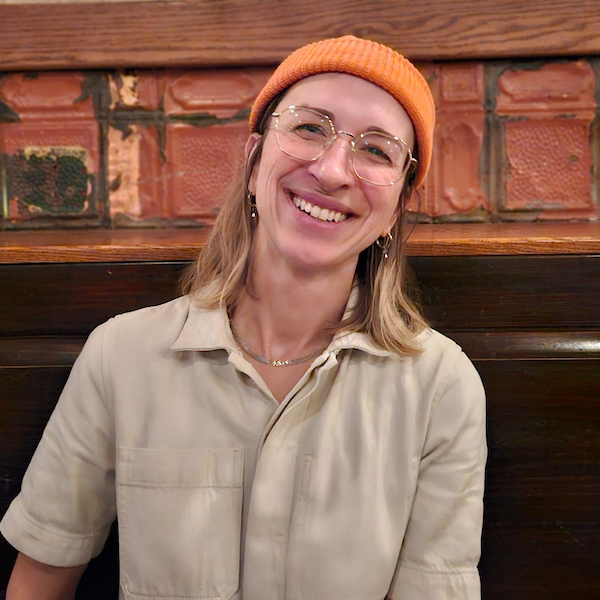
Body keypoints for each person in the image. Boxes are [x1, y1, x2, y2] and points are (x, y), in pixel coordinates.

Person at [1, 35, 486, 600]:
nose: (331, 170)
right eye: (309, 128)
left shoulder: (440, 387)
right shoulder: (121, 356)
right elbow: (40, 579)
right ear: (254, 157)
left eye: (376, 151)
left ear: (397, 206)